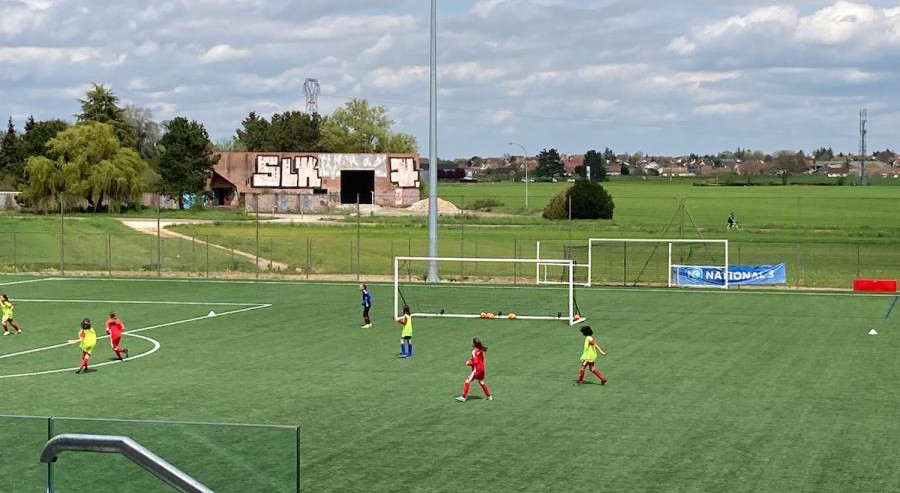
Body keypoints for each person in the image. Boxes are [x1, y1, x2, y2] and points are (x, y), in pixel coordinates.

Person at [456, 338, 492, 402]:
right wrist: (472, 359)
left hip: (476, 369)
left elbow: (475, 362)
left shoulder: (474, 351)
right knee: (481, 381)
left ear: (474, 344)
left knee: (467, 381)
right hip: (482, 369)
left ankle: (463, 397)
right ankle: (489, 396)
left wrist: (469, 363)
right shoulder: (480, 349)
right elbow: (480, 359)